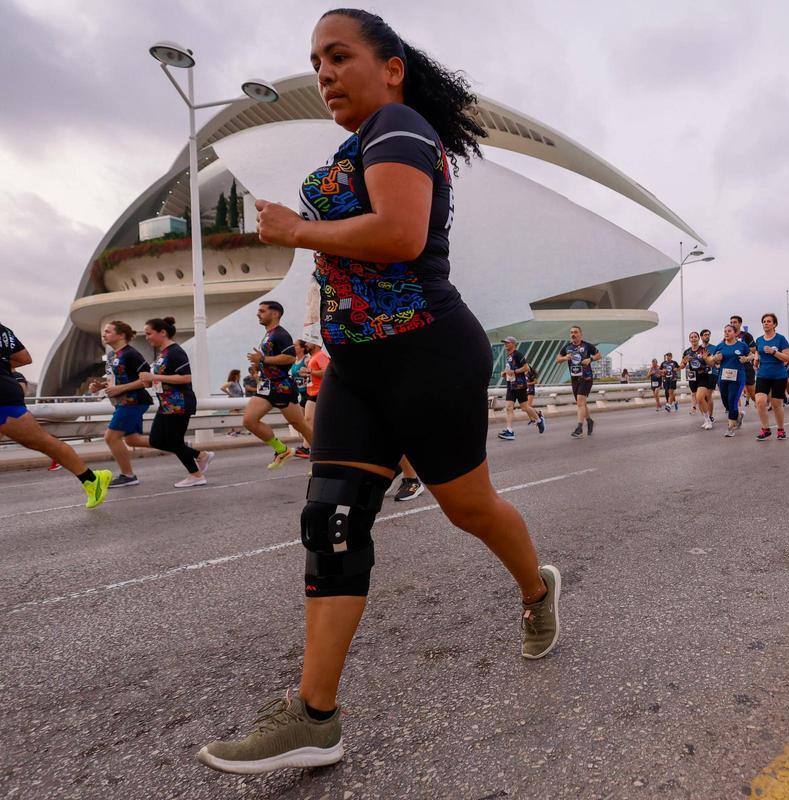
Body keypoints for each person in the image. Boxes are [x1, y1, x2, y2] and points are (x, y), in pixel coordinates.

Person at [196, 10, 559, 774]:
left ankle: (535, 587)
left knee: (469, 509)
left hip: (427, 352)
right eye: (315, 61)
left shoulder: (399, 125)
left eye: (338, 56)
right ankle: (315, 716)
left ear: (390, 67)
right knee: (329, 518)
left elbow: (399, 233)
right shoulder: (356, 143)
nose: (323, 72)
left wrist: (295, 231)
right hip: (357, 366)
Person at [0, 321, 112, 507]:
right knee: (41, 441)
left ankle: (92, 479)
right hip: (7, 389)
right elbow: (23, 358)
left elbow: (23, 359)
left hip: (3, 396)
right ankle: (91, 479)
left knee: (41, 441)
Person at [134, 317, 213, 488]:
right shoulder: (162, 354)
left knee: (174, 441)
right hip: (167, 403)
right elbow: (159, 380)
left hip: (180, 403)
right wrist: (147, 380)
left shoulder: (175, 352)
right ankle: (200, 456)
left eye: (149, 333)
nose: (146, 337)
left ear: (162, 332)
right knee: (156, 440)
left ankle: (196, 475)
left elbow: (186, 377)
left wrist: (154, 376)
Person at [242, 301, 314, 468]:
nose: (258, 314)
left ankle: (321, 460)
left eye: (262, 311)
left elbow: (289, 357)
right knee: (249, 421)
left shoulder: (281, 334)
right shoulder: (268, 334)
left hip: (281, 387)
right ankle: (281, 450)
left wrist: (263, 359)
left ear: (274, 314)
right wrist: (259, 365)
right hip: (266, 386)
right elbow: (272, 360)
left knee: (299, 424)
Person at [100, 320, 153, 487]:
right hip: (122, 403)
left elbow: (147, 382)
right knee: (133, 440)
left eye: (108, 331)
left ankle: (128, 475)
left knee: (110, 437)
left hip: (134, 401)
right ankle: (179, 445)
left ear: (121, 335)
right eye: (104, 332)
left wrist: (120, 388)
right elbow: (113, 381)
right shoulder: (111, 355)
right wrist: (99, 386)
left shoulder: (132, 354)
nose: (104, 334)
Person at [707, 324, 752, 437]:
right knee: (726, 402)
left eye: (729, 331)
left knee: (732, 401)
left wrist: (746, 359)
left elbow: (752, 355)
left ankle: (730, 428)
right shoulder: (720, 346)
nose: (726, 333)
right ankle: (738, 416)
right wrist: (714, 359)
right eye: (725, 331)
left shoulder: (742, 345)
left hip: (738, 378)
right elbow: (712, 363)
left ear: (735, 333)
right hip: (723, 377)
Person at [556, 325, 600, 437]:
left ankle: (579, 427)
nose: (573, 334)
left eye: (575, 332)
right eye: (571, 332)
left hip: (586, 377)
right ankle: (589, 421)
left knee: (580, 402)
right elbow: (557, 359)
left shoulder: (587, 346)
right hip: (574, 378)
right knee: (582, 403)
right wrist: (565, 358)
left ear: (580, 334)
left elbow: (599, 355)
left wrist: (590, 359)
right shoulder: (567, 347)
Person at [752, 313, 789, 441]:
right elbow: (758, 351)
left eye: (769, 321)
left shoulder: (781, 339)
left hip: (779, 375)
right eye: (764, 321)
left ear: (774, 324)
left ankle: (781, 429)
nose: (766, 323)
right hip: (763, 374)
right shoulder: (759, 340)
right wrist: (756, 359)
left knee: (776, 404)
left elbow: (787, 358)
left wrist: (774, 352)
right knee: (760, 401)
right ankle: (765, 429)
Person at [497, 336, 544, 440]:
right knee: (509, 408)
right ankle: (509, 431)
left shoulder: (518, 354)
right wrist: (504, 373)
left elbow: (526, 368)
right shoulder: (508, 356)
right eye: (504, 342)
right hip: (510, 385)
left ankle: (539, 419)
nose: (505, 344)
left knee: (524, 408)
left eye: (507, 342)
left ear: (513, 344)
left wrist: (513, 372)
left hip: (520, 385)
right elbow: (510, 369)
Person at [298, 330, 329, 448]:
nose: (305, 343)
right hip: (313, 392)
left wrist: (310, 371)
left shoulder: (320, 355)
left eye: (308, 341)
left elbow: (326, 372)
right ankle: (310, 446)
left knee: (308, 419)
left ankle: (307, 447)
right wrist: (307, 374)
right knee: (310, 420)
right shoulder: (313, 357)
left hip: (319, 392)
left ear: (316, 343)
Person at [682, 331, 713, 429]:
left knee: (700, 397)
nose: (693, 338)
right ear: (689, 339)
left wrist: (706, 359)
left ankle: (709, 420)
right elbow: (682, 366)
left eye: (695, 337)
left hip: (703, 376)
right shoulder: (687, 352)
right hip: (692, 378)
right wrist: (684, 362)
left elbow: (712, 364)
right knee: (699, 400)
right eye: (691, 337)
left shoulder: (703, 349)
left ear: (698, 338)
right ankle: (706, 419)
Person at [729, 315, 756, 407]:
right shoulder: (727, 336)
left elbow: (754, 349)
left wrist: (741, 348)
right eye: (731, 322)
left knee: (752, 393)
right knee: (734, 393)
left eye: (735, 322)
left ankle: (760, 405)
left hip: (746, 367)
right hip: (732, 367)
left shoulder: (746, 335)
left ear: (740, 323)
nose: (732, 324)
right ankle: (736, 414)